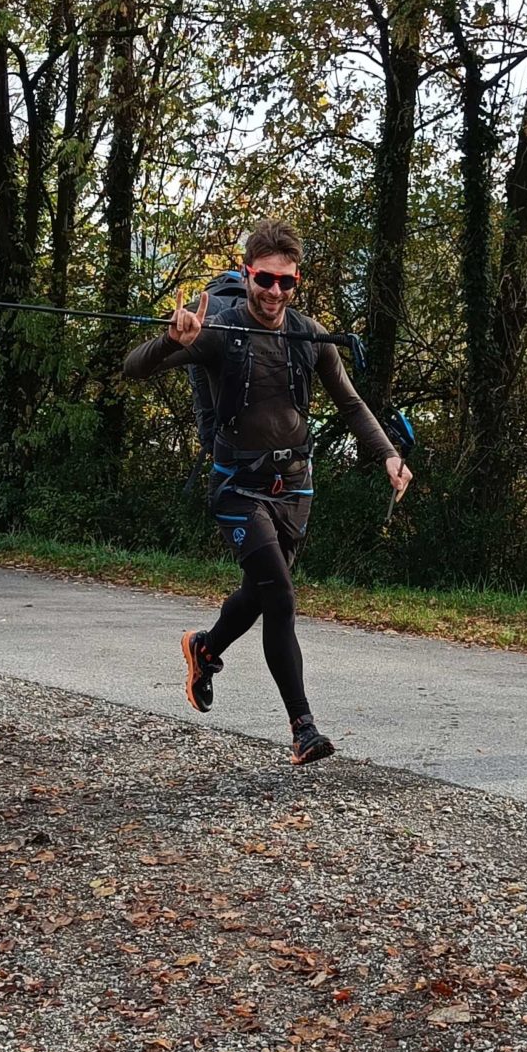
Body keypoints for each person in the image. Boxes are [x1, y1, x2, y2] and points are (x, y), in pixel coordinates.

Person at [122, 221, 411, 763]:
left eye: (286, 282)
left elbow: (351, 404)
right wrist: (170, 340)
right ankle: (303, 728)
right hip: (238, 486)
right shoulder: (218, 331)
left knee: (259, 593)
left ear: (297, 280)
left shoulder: (309, 336)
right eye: (264, 279)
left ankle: (205, 648)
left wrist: (389, 455)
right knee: (279, 594)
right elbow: (133, 368)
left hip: (295, 487)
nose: (275, 292)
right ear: (247, 273)